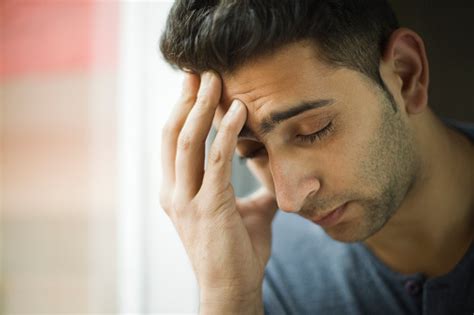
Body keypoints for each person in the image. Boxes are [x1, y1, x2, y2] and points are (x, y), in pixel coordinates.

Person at [158, 1, 474, 314]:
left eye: (313, 131)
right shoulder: (261, 269)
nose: (289, 201)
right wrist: (228, 297)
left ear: (405, 75)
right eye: (252, 152)